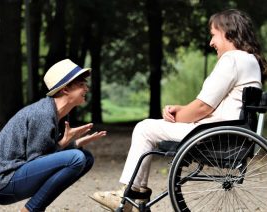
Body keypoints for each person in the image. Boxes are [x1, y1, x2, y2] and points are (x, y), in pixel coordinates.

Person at [91, 9, 267, 211]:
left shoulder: (232, 59)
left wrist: (178, 116)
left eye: (213, 35)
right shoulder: (250, 60)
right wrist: (181, 109)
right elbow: (217, 104)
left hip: (214, 134)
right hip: (229, 131)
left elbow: (203, 106)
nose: (211, 43)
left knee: (144, 128)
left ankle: (129, 196)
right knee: (150, 127)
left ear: (228, 32)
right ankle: (135, 194)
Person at [0, 59, 107, 212]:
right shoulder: (43, 114)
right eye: (81, 85)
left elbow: (44, 158)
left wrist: (73, 144)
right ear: (65, 89)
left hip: (15, 177)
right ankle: (31, 210)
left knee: (86, 158)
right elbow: (37, 160)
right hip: (2, 184)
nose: (86, 88)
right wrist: (66, 145)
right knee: (77, 158)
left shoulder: (56, 114)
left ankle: (34, 208)